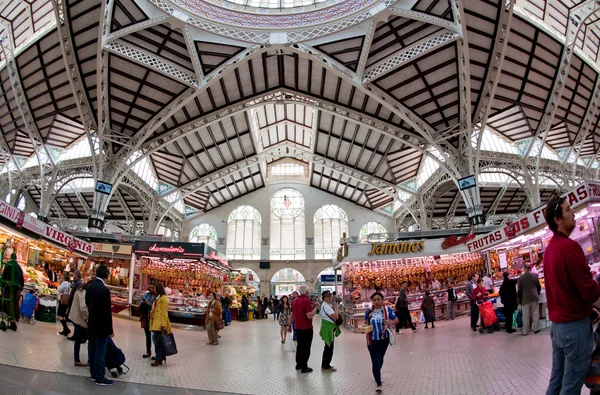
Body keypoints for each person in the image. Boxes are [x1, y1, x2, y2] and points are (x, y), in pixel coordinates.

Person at [544, 195, 600, 395]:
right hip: (574, 330)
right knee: (571, 385)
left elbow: (565, 289)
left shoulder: (550, 250)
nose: (573, 212)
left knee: (557, 382)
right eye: (568, 210)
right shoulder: (569, 248)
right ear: (558, 220)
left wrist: (588, 310)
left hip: (557, 329)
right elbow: (588, 290)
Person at [365, 292, 399, 393]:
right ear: (372, 301)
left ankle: (376, 373)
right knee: (376, 360)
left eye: (378, 299)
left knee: (380, 359)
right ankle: (379, 383)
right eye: (374, 300)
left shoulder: (387, 310)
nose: (376, 301)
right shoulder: (369, 312)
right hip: (372, 340)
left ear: (382, 300)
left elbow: (396, 319)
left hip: (384, 339)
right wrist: (364, 329)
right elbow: (366, 323)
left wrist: (391, 322)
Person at [86, 265, 114, 386]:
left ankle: (93, 374)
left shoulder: (90, 286)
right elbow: (106, 312)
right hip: (102, 326)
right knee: (100, 351)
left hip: (92, 323)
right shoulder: (104, 289)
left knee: (91, 349)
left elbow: (87, 303)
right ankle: (99, 377)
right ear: (107, 275)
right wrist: (110, 329)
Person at [288, 285, 319, 373]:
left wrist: (289, 326)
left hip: (297, 327)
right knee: (306, 347)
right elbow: (309, 315)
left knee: (300, 346)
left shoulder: (294, 301)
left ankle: (298, 364)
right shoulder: (307, 301)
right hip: (307, 328)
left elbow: (291, 315)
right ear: (306, 292)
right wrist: (316, 307)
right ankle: (304, 367)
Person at [150, 283, 172, 366]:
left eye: (155, 288)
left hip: (160, 323)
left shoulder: (164, 299)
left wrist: (163, 325)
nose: (154, 290)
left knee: (156, 339)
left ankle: (159, 358)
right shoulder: (158, 298)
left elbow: (164, 313)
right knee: (158, 340)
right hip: (156, 322)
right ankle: (160, 356)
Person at [68, 278, 89, 367]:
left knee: (79, 339)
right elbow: (83, 308)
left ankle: (78, 359)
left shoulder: (81, 290)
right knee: (80, 339)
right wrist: (88, 317)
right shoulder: (83, 292)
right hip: (79, 319)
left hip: (77, 318)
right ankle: (78, 360)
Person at [319, 290, 341, 372]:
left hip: (328, 327)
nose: (329, 298)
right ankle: (325, 366)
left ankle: (326, 365)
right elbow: (336, 316)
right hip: (328, 328)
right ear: (324, 297)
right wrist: (335, 307)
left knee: (329, 347)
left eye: (330, 296)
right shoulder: (326, 306)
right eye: (327, 296)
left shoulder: (326, 305)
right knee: (328, 347)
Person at [518, 262, 542, 336]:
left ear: (524, 268)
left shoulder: (521, 278)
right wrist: (537, 293)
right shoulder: (535, 275)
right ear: (530, 268)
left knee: (525, 315)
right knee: (535, 313)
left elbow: (519, 290)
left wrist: (519, 300)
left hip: (525, 298)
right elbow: (539, 286)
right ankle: (536, 329)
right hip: (534, 296)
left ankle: (525, 331)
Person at [1, 252, 23, 331]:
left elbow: (4, 275)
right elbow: (21, 278)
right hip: (17, 287)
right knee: (15, 302)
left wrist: (3, 283)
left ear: (10, 257)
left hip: (9, 285)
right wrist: (21, 287)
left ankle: (11, 319)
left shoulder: (8, 264)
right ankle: (16, 317)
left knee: (8, 302)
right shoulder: (18, 266)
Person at [140, 283, 157, 358]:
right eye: (150, 287)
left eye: (152, 287)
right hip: (146, 317)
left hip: (154, 318)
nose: (151, 289)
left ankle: (158, 354)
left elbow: (155, 306)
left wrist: (147, 302)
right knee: (147, 335)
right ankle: (148, 351)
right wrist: (145, 302)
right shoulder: (147, 295)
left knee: (156, 336)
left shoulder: (157, 296)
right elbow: (141, 303)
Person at [57, 271, 72, 337]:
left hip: (63, 300)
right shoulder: (68, 283)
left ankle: (66, 328)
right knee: (63, 316)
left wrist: (60, 283)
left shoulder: (64, 283)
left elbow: (58, 289)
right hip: (66, 300)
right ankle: (65, 330)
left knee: (59, 316)